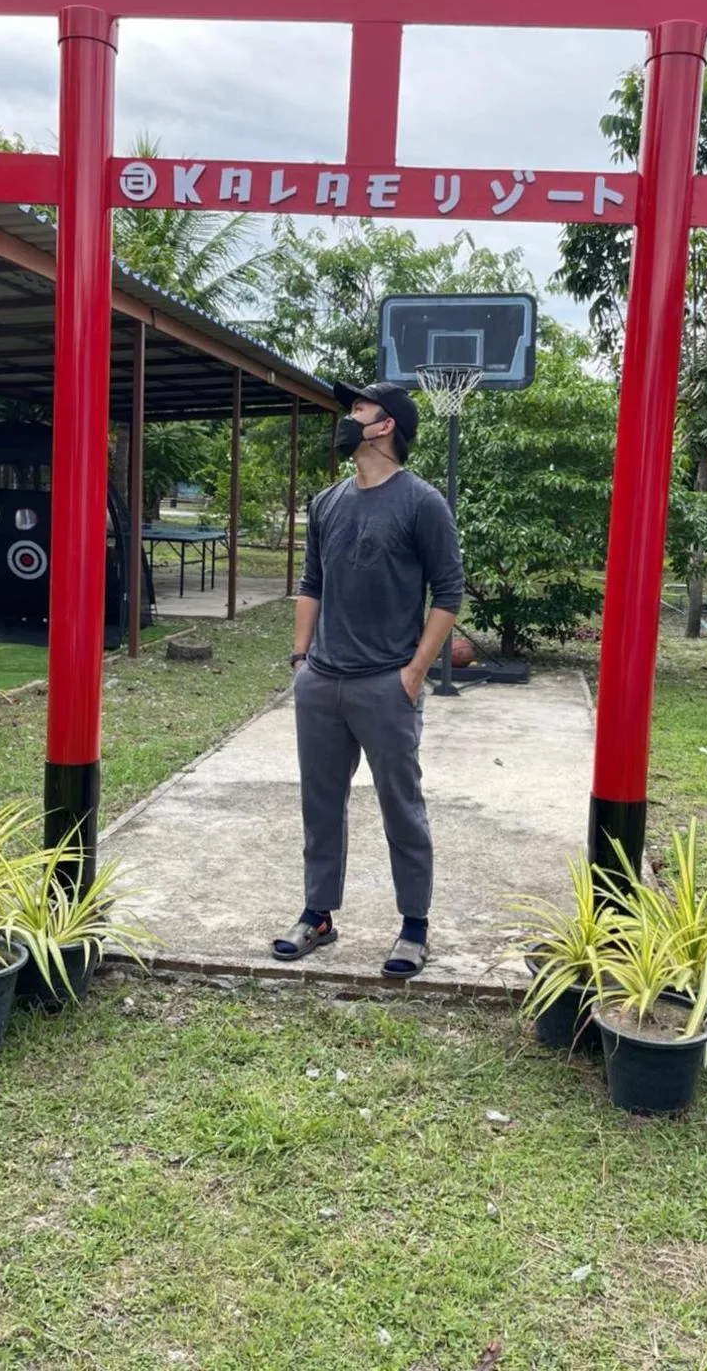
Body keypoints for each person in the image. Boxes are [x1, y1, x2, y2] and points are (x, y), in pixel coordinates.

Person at [271, 380, 463, 979]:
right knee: (319, 804)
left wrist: (413, 673)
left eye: (357, 410)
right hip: (322, 681)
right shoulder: (327, 502)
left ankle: (414, 926)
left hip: (387, 684)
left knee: (400, 806)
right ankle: (318, 915)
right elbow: (312, 584)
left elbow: (448, 593)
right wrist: (302, 662)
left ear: (385, 427)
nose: (347, 419)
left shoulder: (422, 503)